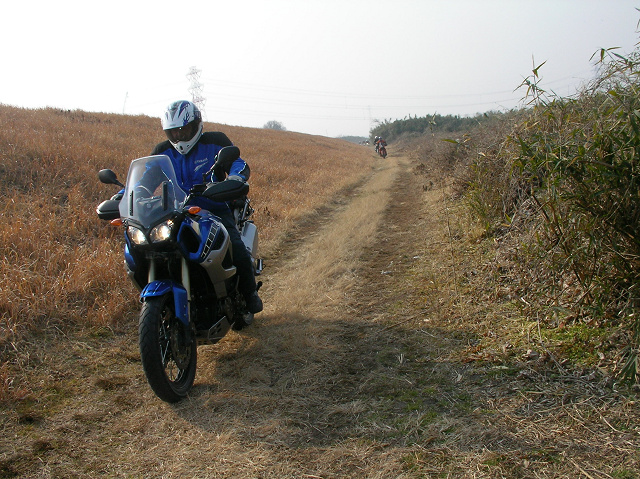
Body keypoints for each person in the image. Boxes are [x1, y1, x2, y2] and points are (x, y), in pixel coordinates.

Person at [151, 100, 263, 314]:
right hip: (176, 214)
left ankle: (250, 294)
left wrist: (235, 178)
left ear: (196, 125)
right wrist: (125, 195)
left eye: (184, 129)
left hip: (215, 209)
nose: (179, 136)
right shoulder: (162, 151)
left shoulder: (215, 142)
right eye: (173, 132)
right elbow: (144, 178)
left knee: (236, 247)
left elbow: (238, 163)